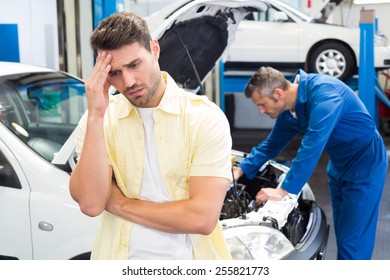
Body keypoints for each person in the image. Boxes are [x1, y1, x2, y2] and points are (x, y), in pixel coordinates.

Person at [69, 11, 233, 260]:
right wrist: (95, 115)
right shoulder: (101, 120)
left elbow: (201, 217)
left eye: (134, 65)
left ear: (154, 49)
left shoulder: (205, 118)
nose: (128, 81)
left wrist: (119, 204)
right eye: (114, 73)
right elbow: (91, 204)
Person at [233, 66, 388, 260]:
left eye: (262, 104)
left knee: (354, 242)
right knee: (344, 233)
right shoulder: (290, 111)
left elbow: (312, 146)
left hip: (365, 164)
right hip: (339, 164)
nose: (261, 111)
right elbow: (271, 145)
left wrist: (283, 190)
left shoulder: (325, 95)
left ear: (278, 93)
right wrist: (240, 170)